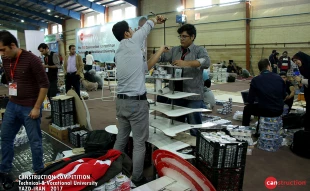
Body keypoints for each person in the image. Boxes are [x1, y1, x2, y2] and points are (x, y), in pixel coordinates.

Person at [112, 15, 166, 186]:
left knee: (121, 139)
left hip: (121, 103)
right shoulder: (132, 41)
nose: (135, 30)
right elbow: (148, 26)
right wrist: (156, 19)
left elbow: (146, 67)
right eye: (132, 29)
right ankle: (137, 177)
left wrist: (160, 50)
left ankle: (111, 171)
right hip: (136, 103)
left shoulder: (120, 52)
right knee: (139, 143)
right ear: (127, 33)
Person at [0, 30, 49, 180]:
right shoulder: (6, 59)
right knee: (5, 137)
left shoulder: (32, 60)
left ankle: (38, 172)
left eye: (3, 49)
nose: (1, 54)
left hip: (30, 107)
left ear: (13, 45)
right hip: (13, 104)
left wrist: (36, 107)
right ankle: (4, 169)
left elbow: (44, 84)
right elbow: (11, 79)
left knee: (35, 141)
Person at [159, 24, 210, 136]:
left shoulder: (199, 50)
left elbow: (206, 62)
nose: (181, 39)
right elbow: (160, 58)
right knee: (176, 125)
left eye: (184, 36)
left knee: (194, 125)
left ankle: (196, 149)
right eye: (180, 36)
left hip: (193, 95)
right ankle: (179, 147)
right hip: (176, 94)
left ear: (192, 37)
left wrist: (186, 63)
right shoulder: (174, 51)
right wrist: (161, 51)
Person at [242, 59, 286, 133]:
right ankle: (259, 129)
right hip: (279, 110)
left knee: (247, 109)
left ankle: (244, 131)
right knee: (263, 104)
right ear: (268, 66)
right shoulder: (279, 77)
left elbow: (250, 100)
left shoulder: (256, 80)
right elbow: (283, 96)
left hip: (265, 110)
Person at [38, 43, 60, 119]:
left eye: (42, 51)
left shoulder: (54, 55)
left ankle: (55, 116)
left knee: (53, 97)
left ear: (47, 48)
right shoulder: (45, 57)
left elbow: (57, 66)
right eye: (41, 51)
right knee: (49, 97)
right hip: (47, 80)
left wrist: (47, 66)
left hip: (53, 79)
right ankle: (53, 114)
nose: (42, 53)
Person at [292, 51, 310, 131]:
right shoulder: (302, 67)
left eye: (296, 60)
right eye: (294, 61)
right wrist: (299, 80)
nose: (296, 63)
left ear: (301, 59)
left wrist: (302, 80)